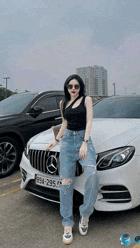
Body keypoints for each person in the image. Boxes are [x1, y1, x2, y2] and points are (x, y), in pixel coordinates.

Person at [46, 74, 99, 245]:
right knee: (66, 183)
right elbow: (64, 123)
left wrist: (85, 142)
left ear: (80, 87)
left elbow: (89, 121)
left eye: (76, 86)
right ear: (66, 87)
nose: (73, 89)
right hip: (67, 143)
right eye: (70, 86)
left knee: (92, 175)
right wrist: (56, 140)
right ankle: (67, 223)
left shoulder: (86, 100)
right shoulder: (63, 103)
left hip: (83, 141)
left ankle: (85, 214)